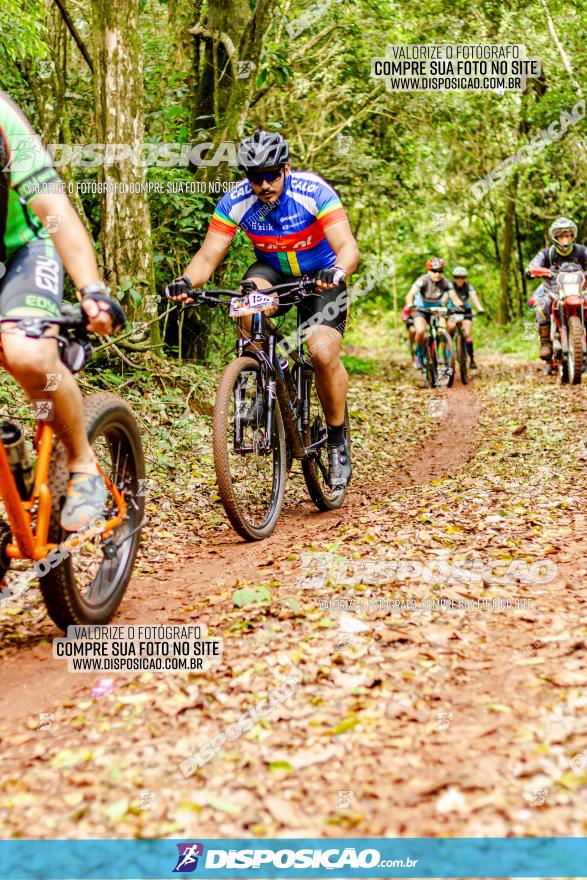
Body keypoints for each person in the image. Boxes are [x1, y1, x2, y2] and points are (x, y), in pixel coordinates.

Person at [166, 130, 360, 490]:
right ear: (247, 178)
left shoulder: (313, 191)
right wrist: (185, 282)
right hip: (272, 273)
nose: (265, 184)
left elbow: (347, 246)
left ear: (286, 168)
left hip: (320, 278)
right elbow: (208, 256)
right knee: (244, 305)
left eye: (271, 174)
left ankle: (336, 441)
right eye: (256, 178)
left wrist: (337, 271)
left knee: (320, 349)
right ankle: (260, 381)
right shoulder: (236, 201)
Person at [0, 92, 125, 530]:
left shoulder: (3, 121)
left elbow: (55, 211)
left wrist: (91, 289)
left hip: (22, 251)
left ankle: (83, 463)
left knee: (27, 355)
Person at [526, 217, 587, 360]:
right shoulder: (547, 253)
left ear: (573, 236)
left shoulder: (582, 251)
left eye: (567, 235)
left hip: (580, 289)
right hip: (553, 290)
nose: (565, 239)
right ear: (555, 237)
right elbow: (532, 266)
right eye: (561, 236)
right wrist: (534, 271)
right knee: (542, 304)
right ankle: (546, 343)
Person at [404, 258, 463, 369]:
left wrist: (460, 306)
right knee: (420, 331)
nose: (437, 274)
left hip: (436, 310)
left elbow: (454, 298)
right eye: (434, 271)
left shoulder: (445, 282)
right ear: (428, 271)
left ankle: (447, 356)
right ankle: (419, 355)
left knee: (443, 331)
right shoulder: (422, 280)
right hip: (421, 310)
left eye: (440, 271)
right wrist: (410, 304)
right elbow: (410, 294)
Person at [446, 266, 485, 369]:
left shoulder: (468, 286)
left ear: (465, 278)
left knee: (467, 333)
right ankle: (448, 346)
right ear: (454, 278)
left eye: (462, 277)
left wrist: (480, 308)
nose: (460, 279)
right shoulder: (450, 286)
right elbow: (444, 299)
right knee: (451, 327)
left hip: (466, 312)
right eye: (457, 277)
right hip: (453, 311)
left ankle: (471, 358)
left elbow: (474, 297)